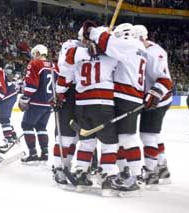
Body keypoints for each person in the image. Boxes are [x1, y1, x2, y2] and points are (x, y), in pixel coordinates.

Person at [57, 25, 139, 196]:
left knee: (87, 142)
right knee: (109, 144)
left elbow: (65, 72)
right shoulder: (109, 53)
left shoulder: (75, 52)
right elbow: (124, 57)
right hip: (103, 103)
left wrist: (58, 93)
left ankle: (81, 175)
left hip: (82, 104)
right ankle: (108, 178)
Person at [85, 22, 149, 187]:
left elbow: (106, 41)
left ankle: (136, 176)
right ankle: (126, 172)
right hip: (131, 96)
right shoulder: (139, 47)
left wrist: (93, 30)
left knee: (127, 138)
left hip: (125, 96)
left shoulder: (129, 45)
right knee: (120, 138)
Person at [133, 25, 173, 186]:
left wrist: (154, 94)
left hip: (158, 99)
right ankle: (162, 168)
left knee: (147, 135)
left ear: (141, 38)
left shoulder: (154, 53)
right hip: (157, 97)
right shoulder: (150, 50)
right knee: (154, 135)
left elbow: (163, 79)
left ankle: (151, 174)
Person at [19, 44, 54, 164]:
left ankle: (33, 153)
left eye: (34, 55)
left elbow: (32, 85)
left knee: (27, 125)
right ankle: (45, 153)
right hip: (49, 103)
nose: (33, 57)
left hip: (36, 101)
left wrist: (25, 98)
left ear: (38, 53)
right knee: (41, 127)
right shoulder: (54, 66)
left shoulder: (34, 64)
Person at [52, 38, 80, 184]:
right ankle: (59, 167)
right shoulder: (73, 49)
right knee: (67, 136)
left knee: (74, 136)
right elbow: (65, 72)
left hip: (78, 95)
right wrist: (59, 94)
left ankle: (66, 166)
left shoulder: (73, 50)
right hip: (70, 96)